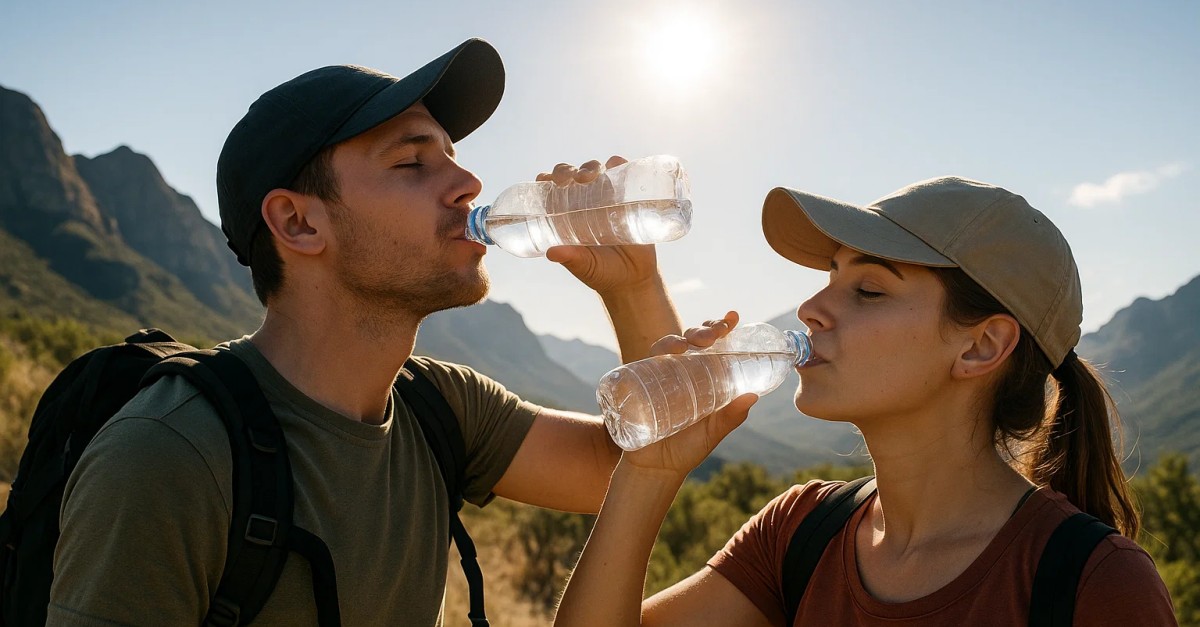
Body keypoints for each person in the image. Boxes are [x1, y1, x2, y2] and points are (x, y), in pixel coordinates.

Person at [47, 39, 683, 625]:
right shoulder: (168, 456)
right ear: (298, 223)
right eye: (411, 162)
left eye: (452, 157)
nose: (469, 184)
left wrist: (632, 287)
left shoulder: (440, 408)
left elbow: (636, 459)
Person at [554, 176, 1178, 626]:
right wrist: (648, 472)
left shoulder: (1095, 584)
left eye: (870, 290)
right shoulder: (799, 531)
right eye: (831, 276)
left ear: (982, 346)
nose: (809, 308)